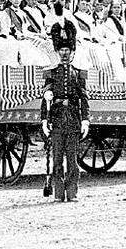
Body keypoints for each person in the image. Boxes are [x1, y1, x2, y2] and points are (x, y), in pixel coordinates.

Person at [40, 29, 89, 201]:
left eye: (68, 50)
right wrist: (45, 120)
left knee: (73, 159)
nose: (64, 53)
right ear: (57, 52)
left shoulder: (79, 72)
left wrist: (85, 120)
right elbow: (45, 98)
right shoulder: (51, 72)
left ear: (73, 52)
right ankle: (59, 193)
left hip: (74, 120)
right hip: (57, 120)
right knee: (57, 159)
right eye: (61, 50)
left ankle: (72, 192)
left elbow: (84, 98)